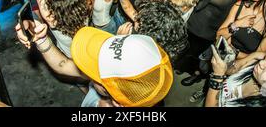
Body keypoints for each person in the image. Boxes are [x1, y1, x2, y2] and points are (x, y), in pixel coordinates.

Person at [16, 24, 173, 107]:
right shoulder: (121, 90)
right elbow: (63, 65)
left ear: (118, 102)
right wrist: (41, 39)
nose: (88, 71)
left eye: (96, 69)